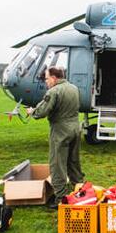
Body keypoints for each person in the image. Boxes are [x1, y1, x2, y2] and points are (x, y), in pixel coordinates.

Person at [27, 66, 84, 207]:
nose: (46, 82)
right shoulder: (73, 88)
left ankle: (61, 198)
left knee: (57, 164)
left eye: (47, 78)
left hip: (60, 130)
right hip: (75, 128)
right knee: (73, 162)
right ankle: (80, 191)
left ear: (53, 78)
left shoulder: (54, 91)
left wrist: (32, 112)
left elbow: (42, 111)